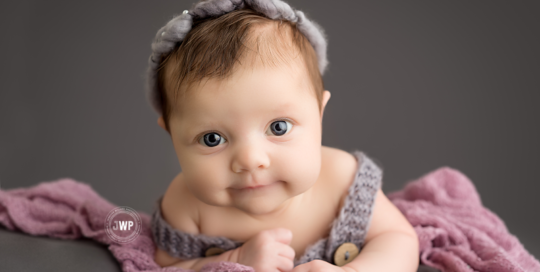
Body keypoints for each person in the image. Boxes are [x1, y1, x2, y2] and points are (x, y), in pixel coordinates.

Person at [147, 0, 419, 271]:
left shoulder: (344, 181)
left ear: (319, 114)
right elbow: (165, 266)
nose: (251, 160)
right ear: (171, 134)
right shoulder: (185, 206)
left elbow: (398, 239)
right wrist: (234, 261)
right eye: (212, 139)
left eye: (279, 127)